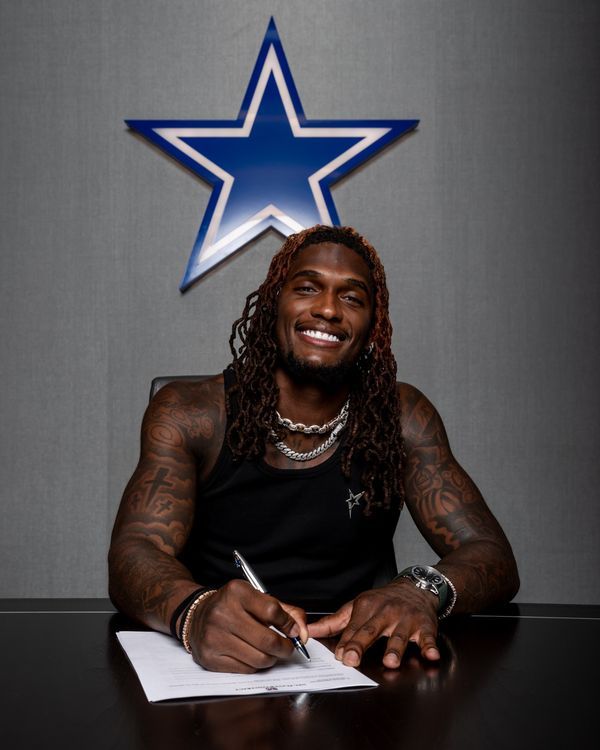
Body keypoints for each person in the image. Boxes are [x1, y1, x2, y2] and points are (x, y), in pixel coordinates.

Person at [108, 224, 519, 673]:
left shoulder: (402, 416)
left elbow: (491, 553)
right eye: (307, 288)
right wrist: (196, 610)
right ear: (273, 304)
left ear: (372, 325)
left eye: (352, 298)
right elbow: (136, 550)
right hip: (219, 662)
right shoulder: (191, 414)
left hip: (360, 662)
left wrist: (420, 589)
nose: (327, 309)